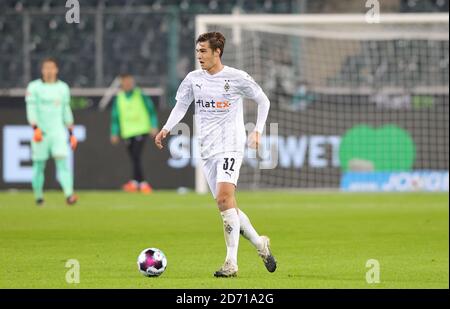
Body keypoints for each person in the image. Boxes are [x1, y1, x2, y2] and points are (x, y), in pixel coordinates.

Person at [155, 32, 276, 277]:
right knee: (227, 206)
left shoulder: (236, 77)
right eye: (197, 51)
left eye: (203, 51)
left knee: (223, 198)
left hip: (231, 144)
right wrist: (167, 128)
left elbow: (263, 101)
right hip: (207, 149)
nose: (199, 56)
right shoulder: (193, 79)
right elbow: (181, 105)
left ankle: (231, 263)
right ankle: (260, 244)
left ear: (217, 52)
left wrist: (258, 132)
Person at [25, 57, 78, 206]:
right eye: (46, 68)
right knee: (39, 165)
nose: (48, 71)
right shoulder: (34, 87)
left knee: (63, 164)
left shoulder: (63, 88)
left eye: (51, 68)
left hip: (58, 132)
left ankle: (69, 195)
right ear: (42, 70)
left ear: (56, 70)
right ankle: (39, 197)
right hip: (41, 133)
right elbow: (31, 109)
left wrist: (71, 133)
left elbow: (66, 110)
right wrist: (35, 128)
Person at [110, 74, 158, 194]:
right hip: (127, 132)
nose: (127, 84)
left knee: (136, 156)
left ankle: (142, 183)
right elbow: (115, 117)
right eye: (125, 82)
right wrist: (114, 132)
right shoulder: (119, 98)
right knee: (133, 157)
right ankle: (136, 182)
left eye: (129, 82)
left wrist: (153, 125)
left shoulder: (140, 94)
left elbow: (151, 110)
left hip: (141, 129)